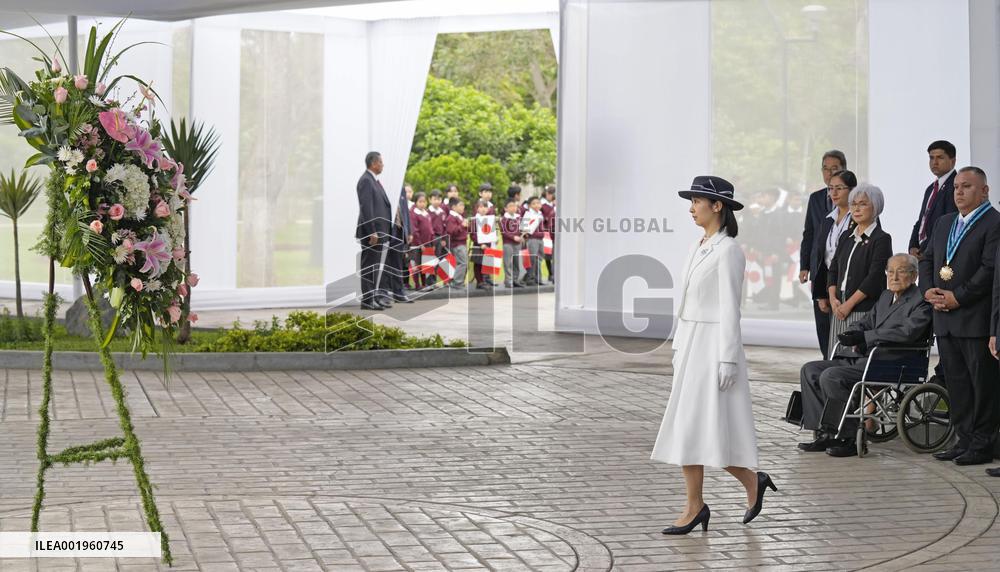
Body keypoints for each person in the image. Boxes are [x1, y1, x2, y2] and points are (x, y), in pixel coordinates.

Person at [652, 175, 775, 535]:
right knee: (691, 426)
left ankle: (711, 499)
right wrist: (678, 345)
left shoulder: (729, 250)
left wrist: (727, 359)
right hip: (691, 343)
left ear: (717, 206)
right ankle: (711, 499)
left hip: (713, 346)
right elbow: (688, 301)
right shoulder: (698, 245)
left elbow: (729, 310)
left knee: (702, 427)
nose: (691, 208)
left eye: (697, 201)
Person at [798, 254, 933, 456]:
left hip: (892, 361)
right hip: (867, 358)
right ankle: (825, 432)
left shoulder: (921, 300)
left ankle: (849, 438)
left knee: (832, 376)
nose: (894, 277)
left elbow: (907, 333)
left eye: (901, 271)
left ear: (914, 276)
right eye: (890, 272)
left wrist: (866, 337)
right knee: (810, 370)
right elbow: (867, 321)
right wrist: (853, 332)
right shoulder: (886, 296)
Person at [920, 166, 1000, 466]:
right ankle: (962, 438)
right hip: (945, 318)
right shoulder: (944, 222)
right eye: (956, 187)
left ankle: (982, 443)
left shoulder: (994, 223)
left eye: (967, 186)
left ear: (984, 190)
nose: (959, 192)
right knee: (957, 384)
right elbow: (927, 259)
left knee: (983, 387)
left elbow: (990, 269)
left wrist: (959, 296)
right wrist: (928, 290)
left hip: (975, 319)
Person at [827, 184, 892, 355]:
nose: (856, 208)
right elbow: (833, 270)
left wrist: (849, 304)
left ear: (875, 207)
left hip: (863, 309)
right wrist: (833, 298)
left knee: (854, 356)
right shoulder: (846, 237)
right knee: (835, 355)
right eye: (853, 204)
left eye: (862, 204)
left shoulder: (881, 239)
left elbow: (874, 277)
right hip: (839, 306)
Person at [800, 150, 847, 357]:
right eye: (825, 169)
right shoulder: (816, 198)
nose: (829, 173)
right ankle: (826, 362)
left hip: (844, 273)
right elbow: (808, 233)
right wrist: (804, 265)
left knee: (840, 322)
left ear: (844, 169)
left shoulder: (856, 200)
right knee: (822, 325)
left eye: (834, 168)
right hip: (820, 270)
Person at [810, 170, 857, 359]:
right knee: (826, 336)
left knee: (846, 336)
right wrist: (821, 293)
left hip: (851, 284)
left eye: (839, 188)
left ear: (852, 190)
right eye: (831, 189)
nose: (834, 193)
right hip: (829, 282)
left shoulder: (860, 216)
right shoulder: (828, 219)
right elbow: (820, 256)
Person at [355, 151, 393, 310]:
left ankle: (372, 297)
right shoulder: (366, 181)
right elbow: (366, 208)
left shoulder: (374, 181)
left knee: (375, 266)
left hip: (379, 232)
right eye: (381, 162)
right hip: (372, 233)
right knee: (369, 266)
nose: (383, 165)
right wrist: (372, 231)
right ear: (374, 163)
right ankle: (367, 300)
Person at [909, 141, 958, 258]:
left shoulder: (956, 186)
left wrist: (927, 250)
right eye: (931, 158)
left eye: (940, 158)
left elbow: (949, 224)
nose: (934, 162)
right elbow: (922, 220)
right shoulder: (930, 189)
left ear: (953, 161)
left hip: (940, 254)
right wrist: (913, 246)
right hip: (923, 254)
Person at [409, 192, 434, 290]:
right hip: (417, 245)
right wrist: (420, 244)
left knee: (426, 265)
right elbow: (415, 231)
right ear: (415, 202)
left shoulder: (427, 213)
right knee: (417, 265)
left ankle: (424, 284)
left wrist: (431, 242)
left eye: (424, 202)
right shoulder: (413, 213)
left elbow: (431, 229)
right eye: (420, 202)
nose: (422, 204)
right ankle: (417, 285)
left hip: (427, 244)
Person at [470, 199, 496, 290]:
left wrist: (494, 240)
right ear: (477, 209)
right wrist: (481, 244)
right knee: (478, 263)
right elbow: (472, 235)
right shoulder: (474, 220)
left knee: (485, 263)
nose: (483, 209)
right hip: (478, 245)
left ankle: (484, 280)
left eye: (485, 207)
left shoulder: (489, 219)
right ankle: (479, 281)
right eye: (481, 207)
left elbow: (491, 232)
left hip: (487, 245)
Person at [445, 197, 470, 289]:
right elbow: (451, 232)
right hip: (457, 244)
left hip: (462, 243)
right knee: (462, 263)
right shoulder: (451, 218)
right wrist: (462, 226)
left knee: (462, 262)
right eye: (461, 205)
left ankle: (458, 282)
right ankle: (457, 282)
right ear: (454, 207)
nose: (463, 207)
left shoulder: (459, 216)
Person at [521, 197, 546, 286]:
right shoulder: (528, 214)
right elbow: (524, 228)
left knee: (539, 259)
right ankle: (530, 278)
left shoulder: (540, 214)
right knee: (532, 259)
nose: (536, 205)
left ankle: (538, 278)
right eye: (533, 203)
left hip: (540, 239)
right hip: (532, 239)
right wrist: (526, 235)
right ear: (529, 206)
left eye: (538, 203)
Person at [500, 199, 524, 288]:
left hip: (517, 243)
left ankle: (515, 279)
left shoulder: (518, 217)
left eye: (515, 206)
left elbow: (521, 229)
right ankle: (508, 280)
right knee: (507, 262)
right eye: (510, 206)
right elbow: (504, 232)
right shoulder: (504, 219)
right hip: (508, 243)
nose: (513, 208)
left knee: (516, 262)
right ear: (505, 208)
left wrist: (522, 235)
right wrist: (514, 237)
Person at [541, 185, 556, 284]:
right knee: (547, 254)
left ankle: (553, 274)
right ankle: (550, 272)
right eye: (550, 194)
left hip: (552, 230)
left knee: (553, 254)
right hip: (545, 231)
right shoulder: (542, 205)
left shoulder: (554, 205)